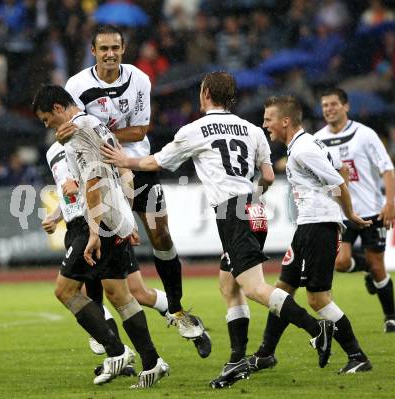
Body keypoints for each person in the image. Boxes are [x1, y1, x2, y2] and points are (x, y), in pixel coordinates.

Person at [101, 71, 342, 388]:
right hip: (254, 209)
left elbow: (156, 162)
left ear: (205, 94)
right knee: (229, 286)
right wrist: (251, 195)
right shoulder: (252, 129)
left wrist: (123, 159)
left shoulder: (195, 130)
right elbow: (268, 176)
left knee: (253, 287)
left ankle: (315, 329)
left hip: (232, 212)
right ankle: (237, 360)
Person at [55, 24, 210, 356]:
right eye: (104, 49)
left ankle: (178, 308)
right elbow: (73, 132)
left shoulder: (139, 79)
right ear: (93, 52)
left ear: (123, 50)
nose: (110, 53)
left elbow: (140, 129)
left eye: (115, 48)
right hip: (102, 176)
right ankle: (107, 337)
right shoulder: (77, 85)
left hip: (138, 166)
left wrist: (99, 136)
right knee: (100, 247)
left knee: (161, 235)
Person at [32, 84, 169, 388]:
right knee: (120, 294)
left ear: (57, 109)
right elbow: (124, 173)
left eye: (46, 119)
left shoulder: (77, 132)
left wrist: (94, 232)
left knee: (65, 291)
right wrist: (127, 217)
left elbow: (93, 181)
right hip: (115, 217)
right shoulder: (97, 125)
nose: (47, 126)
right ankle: (152, 362)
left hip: (98, 221)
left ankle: (116, 351)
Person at [248, 95, 372, 375]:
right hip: (308, 226)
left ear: (285, 121)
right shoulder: (304, 145)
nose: (265, 124)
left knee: (318, 298)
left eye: (269, 119)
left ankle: (358, 356)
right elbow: (337, 169)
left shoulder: (304, 149)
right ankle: (266, 353)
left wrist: (349, 215)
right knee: (282, 290)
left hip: (319, 226)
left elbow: (338, 181)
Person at [314, 88, 395, 333]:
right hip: (341, 214)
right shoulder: (317, 139)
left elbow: (387, 169)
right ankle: (368, 269)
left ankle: (390, 316)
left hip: (371, 211)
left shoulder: (365, 134)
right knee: (340, 262)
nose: (328, 109)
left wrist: (390, 203)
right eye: (325, 105)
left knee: (379, 265)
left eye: (333, 104)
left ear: (346, 107)